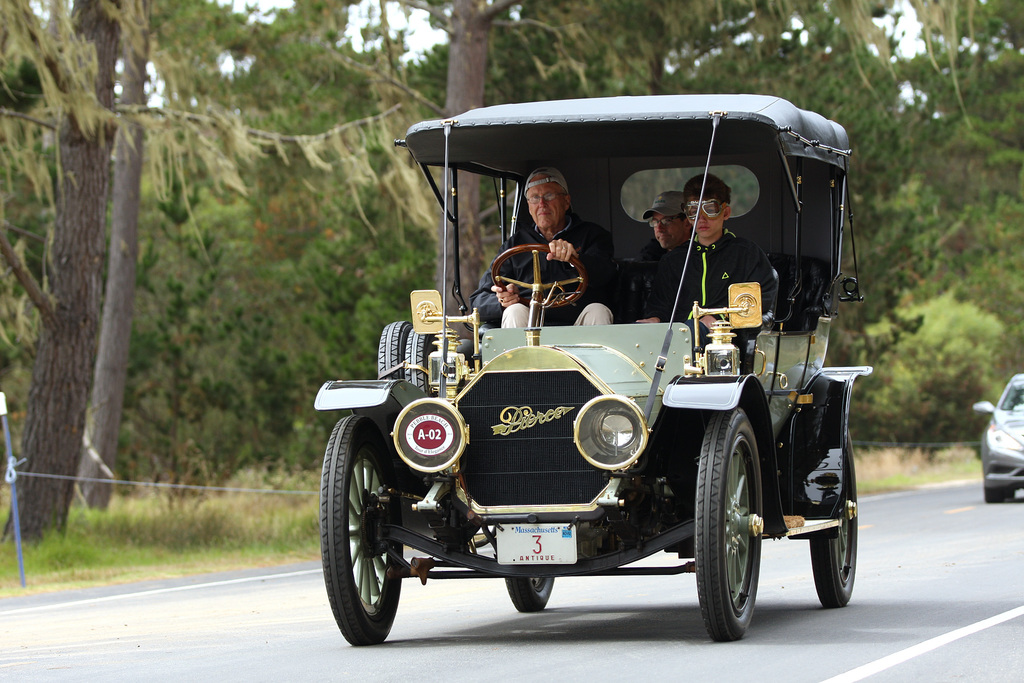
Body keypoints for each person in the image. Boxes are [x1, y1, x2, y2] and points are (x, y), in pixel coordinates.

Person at [470, 167, 616, 327]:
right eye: (534, 198)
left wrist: (575, 259)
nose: (541, 204)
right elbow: (478, 301)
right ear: (529, 206)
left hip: (577, 323)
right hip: (530, 327)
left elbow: (606, 276)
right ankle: (520, 353)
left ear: (566, 201)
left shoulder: (592, 235)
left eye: (549, 195)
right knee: (514, 311)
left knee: (598, 311)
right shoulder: (514, 244)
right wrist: (503, 300)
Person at [639, 173, 777, 337]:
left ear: (725, 213)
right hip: (677, 340)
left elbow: (759, 301)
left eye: (710, 209)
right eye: (694, 211)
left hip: (727, 340)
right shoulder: (673, 260)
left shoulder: (746, 253)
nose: (701, 218)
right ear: (687, 215)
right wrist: (654, 319)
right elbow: (660, 305)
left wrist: (717, 318)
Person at [638, 190, 692, 260]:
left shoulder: (703, 255)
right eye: (655, 222)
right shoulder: (649, 255)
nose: (659, 228)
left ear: (687, 223)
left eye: (667, 221)